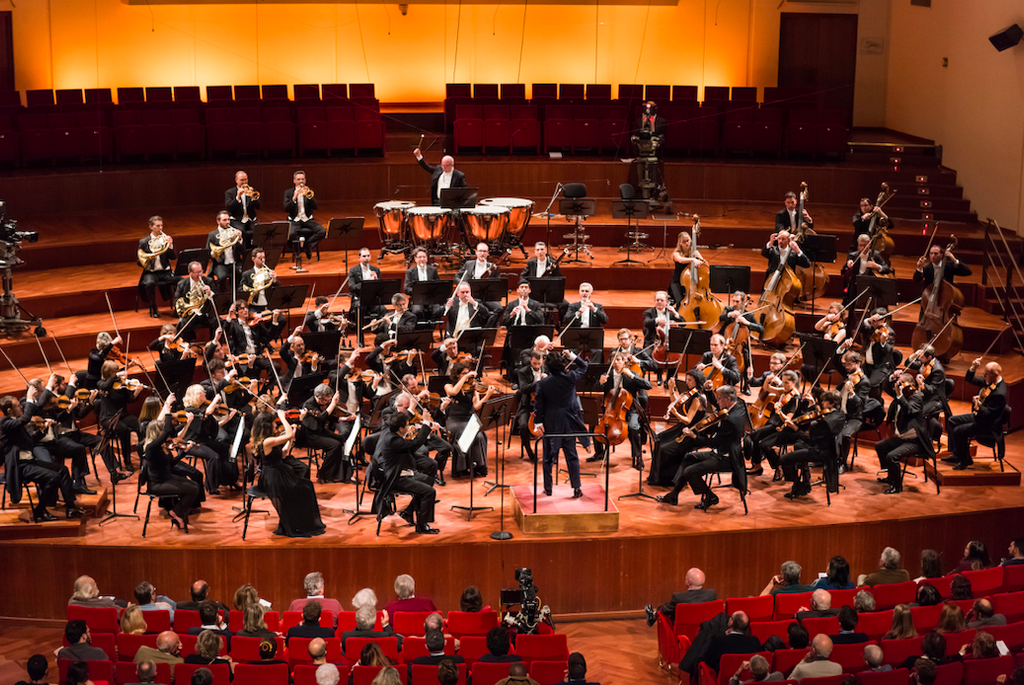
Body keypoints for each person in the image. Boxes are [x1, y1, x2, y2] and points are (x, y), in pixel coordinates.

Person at [656, 385, 748, 510]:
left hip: (726, 458)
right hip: (721, 452)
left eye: (719, 398)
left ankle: (711, 497)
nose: (717, 401)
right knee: (689, 457)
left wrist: (694, 436)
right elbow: (718, 406)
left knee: (690, 471)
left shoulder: (730, 420)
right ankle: (673, 495)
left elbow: (713, 443)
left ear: (727, 399)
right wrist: (709, 391)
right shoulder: (739, 406)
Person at [1, 395, 84, 521]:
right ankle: (40, 511)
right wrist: (29, 399)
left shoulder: (15, 424)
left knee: (62, 470)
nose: (21, 407)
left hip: (30, 462)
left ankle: (71, 508)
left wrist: (42, 430)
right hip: (20, 466)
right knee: (53, 477)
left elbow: (30, 443)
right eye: (17, 406)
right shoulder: (5, 423)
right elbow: (25, 419)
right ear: (9, 410)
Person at [251, 410, 326, 538]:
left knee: (306, 486)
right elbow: (288, 435)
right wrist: (283, 418)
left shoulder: (270, 440)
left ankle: (299, 522)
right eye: (274, 423)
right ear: (267, 426)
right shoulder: (267, 441)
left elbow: (284, 453)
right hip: (273, 477)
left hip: (279, 472)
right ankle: (297, 524)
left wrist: (292, 436)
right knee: (304, 489)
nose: (276, 425)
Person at [374, 412, 441, 534]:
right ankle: (422, 526)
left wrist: (419, 430)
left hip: (403, 473)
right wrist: (426, 423)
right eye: (407, 425)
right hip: (397, 478)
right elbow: (414, 444)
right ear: (400, 428)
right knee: (429, 492)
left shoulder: (392, 435)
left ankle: (409, 512)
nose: (409, 426)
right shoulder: (393, 440)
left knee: (428, 481)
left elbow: (409, 441)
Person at [534, 349, 588, 498]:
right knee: (571, 455)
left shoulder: (543, 383)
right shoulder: (570, 378)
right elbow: (584, 366)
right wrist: (572, 356)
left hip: (550, 422)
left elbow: (538, 405)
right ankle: (576, 488)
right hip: (568, 422)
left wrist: (538, 423)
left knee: (548, 457)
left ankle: (548, 489)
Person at [944, 358, 1007, 470]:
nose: (984, 376)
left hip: (988, 425)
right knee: (952, 420)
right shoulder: (990, 382)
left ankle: (965, 460)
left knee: (958, 431)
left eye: (986, 374)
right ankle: (957, 454)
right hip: (980, 418)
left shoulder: (999, 393)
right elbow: (970, 379)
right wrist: (973, 368)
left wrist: (979, 404)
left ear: (995, 374)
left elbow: (989, 415)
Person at [594, 351, 652, 471]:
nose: (616, 362)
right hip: (611, 411)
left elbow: (648, 385)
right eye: (613, 360)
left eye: (618, 360)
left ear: (624, 361)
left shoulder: (631, 374)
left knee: (633, 427)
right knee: (595, 425)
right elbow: (596, 389)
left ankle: (638, 457)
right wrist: (599, 383)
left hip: (630, 409)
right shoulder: (607, 375)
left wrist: (632, 376)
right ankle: (599, 453)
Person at [443, 363, 493, 478]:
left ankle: (477, 467)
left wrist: (487, 395)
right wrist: (466, 377)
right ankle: (461, 468)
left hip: (468, 419)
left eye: (467, 373)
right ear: (457, 375)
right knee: (463, 434)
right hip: (455, 420)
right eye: (464, 373)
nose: (467, 376)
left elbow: (476, 406)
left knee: (479, 436)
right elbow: (453, 392)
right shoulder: (448, 386)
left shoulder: (472, 387)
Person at [644, 567, 716, 626]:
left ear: (688, 582)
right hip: (706, 633)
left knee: (668, 610)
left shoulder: (679, 598)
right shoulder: (711, 594)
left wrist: (659, 610)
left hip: (682, 634)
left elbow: (665, 611)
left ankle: (653, 614)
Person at [137, 216, 177, 319]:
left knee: (180, 281)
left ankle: (178, 308)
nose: (160, 228)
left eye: (161, 226)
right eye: (157, 226)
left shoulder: (165, 240)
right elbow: (139, 262)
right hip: (151, 272)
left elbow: (173, 257)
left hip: (165, 272)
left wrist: (170, 245)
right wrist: (149, 258)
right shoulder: (144, 242)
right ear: (151, 227)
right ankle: (154, 307)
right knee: (149, 284)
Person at [284, 170, 326, 258]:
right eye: (298, 179)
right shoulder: (288, 192)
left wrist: (310, 197)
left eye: (302, 179)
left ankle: (308, 245)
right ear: (294, 181)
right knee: (291, 233)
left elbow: (315, 207)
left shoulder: (309, 191)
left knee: (322, 231)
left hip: (307, 219)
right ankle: (297, 251)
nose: (301, 181)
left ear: (305, 180)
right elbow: (285, 208)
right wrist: (294, 198)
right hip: (294, 220)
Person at [174, 261, 217, 342]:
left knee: (217, 321)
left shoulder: (209, 281)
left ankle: (214, 343)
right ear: (190, 272)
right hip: (190, 313)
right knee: (182, 323)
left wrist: (210, 292)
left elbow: (217, 298)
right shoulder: (182, 284)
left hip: (205, 312)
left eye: (201, 271)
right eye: (197, 272)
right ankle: (187, 344)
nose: (200, 274)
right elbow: (176, 300)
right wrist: (189, 309)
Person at [668, 229, 707, 307]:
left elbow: (706, 266)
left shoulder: (694, 253)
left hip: (689, 282)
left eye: (688, 240)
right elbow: (681, 260)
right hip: (677, 282)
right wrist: (693, 259)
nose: (687, 243)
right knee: (680, 303)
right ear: (680, 243)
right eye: (684, 241)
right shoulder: (676, 253)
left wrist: (700, 257)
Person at [404, 247, 443, 321]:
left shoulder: (433, 270)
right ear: (415, 259)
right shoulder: (410, 272)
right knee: (417, 311)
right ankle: (422, 327)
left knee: (438, 310)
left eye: (424, 257)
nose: (422, 259)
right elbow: (406, 288)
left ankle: (431, 326)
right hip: (417, 299)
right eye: (420, 257)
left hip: (431, 298)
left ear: (427, 258)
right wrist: (418, 292)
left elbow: (437, 284)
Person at [205, 211, 244, 284]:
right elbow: (207, 252)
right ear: (218, 221)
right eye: (224, 220)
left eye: (228, 219)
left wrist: (239, 239)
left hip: (235, 263)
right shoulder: (213, 235)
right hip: (220, 264)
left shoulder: (234, 233)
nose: (227, 222)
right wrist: (214, 253)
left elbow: (243, 251)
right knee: (222, 277)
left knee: (242, 276)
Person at [239, 247, 278, 314]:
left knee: (281, 318)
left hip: (268, 305)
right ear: (253, 259)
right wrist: (252, 290)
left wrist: (274, 280)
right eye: (260, 258)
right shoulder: (247, 274)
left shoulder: (269, 273)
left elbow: (277, 289)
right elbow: (240, 289)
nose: (263, 260)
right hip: (254, 306)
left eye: (264, 257)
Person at [225, 170, 260, 242]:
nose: (244, 182)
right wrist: (237, 197)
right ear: (236, 180)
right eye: (242, 180)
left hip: (250, 219)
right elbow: (229, 208)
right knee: (241, 232)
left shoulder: (251, 190)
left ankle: (255, 248)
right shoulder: (230, 192)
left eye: (245, 179)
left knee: (258, 232)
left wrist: (252, 198)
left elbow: (258, 207)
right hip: (237, 220)